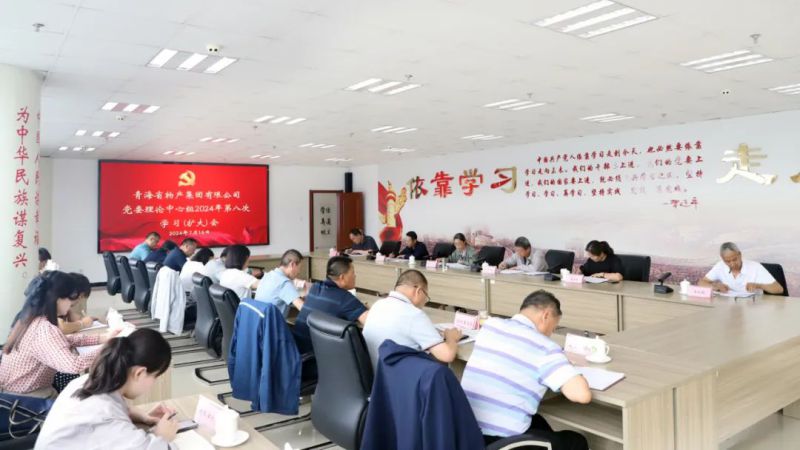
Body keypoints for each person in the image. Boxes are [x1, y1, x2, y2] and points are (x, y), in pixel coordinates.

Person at [462, 290, 591, 449]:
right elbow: (582, 395)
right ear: (546, 315)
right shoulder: (546, 347)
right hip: (500, 441)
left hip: (465, 430)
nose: (551, 333)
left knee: (539, 423)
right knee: (576, 441)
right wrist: (566, 364)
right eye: (554, 327)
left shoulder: (491, 326)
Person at [34, 329, 177, 450]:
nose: (153, 383)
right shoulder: (106, 418)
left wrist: (141, 416)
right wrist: (162, 437)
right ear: (139, 373)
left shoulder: (86, 381)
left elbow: (106, 410)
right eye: (155, 376)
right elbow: (107, 417)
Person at [0, 272, 118, 398]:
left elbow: (62, 340)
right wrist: (110, 347)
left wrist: (103, 338)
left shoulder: (31, 319)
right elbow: (74, 365)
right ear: (58, 299)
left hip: (13, 393)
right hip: (29, 398)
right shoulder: (44, 329)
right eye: (70, 300)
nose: (71, 304)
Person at [362, 269, 461, 369]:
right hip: (397, 375)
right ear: (418, 291)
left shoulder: (378, 305)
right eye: (426, 296)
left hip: (374, 372)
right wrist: (451, 338)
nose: (425, 302)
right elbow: (447, 355)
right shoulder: (414, 314)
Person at [292, 256, 368, 354]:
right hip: (316, 356)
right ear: (342, 277)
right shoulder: (344, 298)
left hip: (296, 350)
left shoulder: (316, 287)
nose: (355, 276)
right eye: (352, 273)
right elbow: (370, 322)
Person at [698, 242, 783, 294]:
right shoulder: (720, 266)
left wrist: (758, 285)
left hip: (753, 307)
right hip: (729, 307)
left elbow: (779, 289)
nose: (732, 264)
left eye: (735, 259)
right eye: (727, 261)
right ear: (722, 258)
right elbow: (701, 283)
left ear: (740, 254)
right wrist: (715, 286)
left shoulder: (755, 267)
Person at [254, 249, 306, 317]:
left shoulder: (268, 275)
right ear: (292, 264)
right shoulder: (284, 283)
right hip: (273, 323)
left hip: (260, 320)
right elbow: (303, 309)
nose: (299, 272)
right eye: (299, 268)